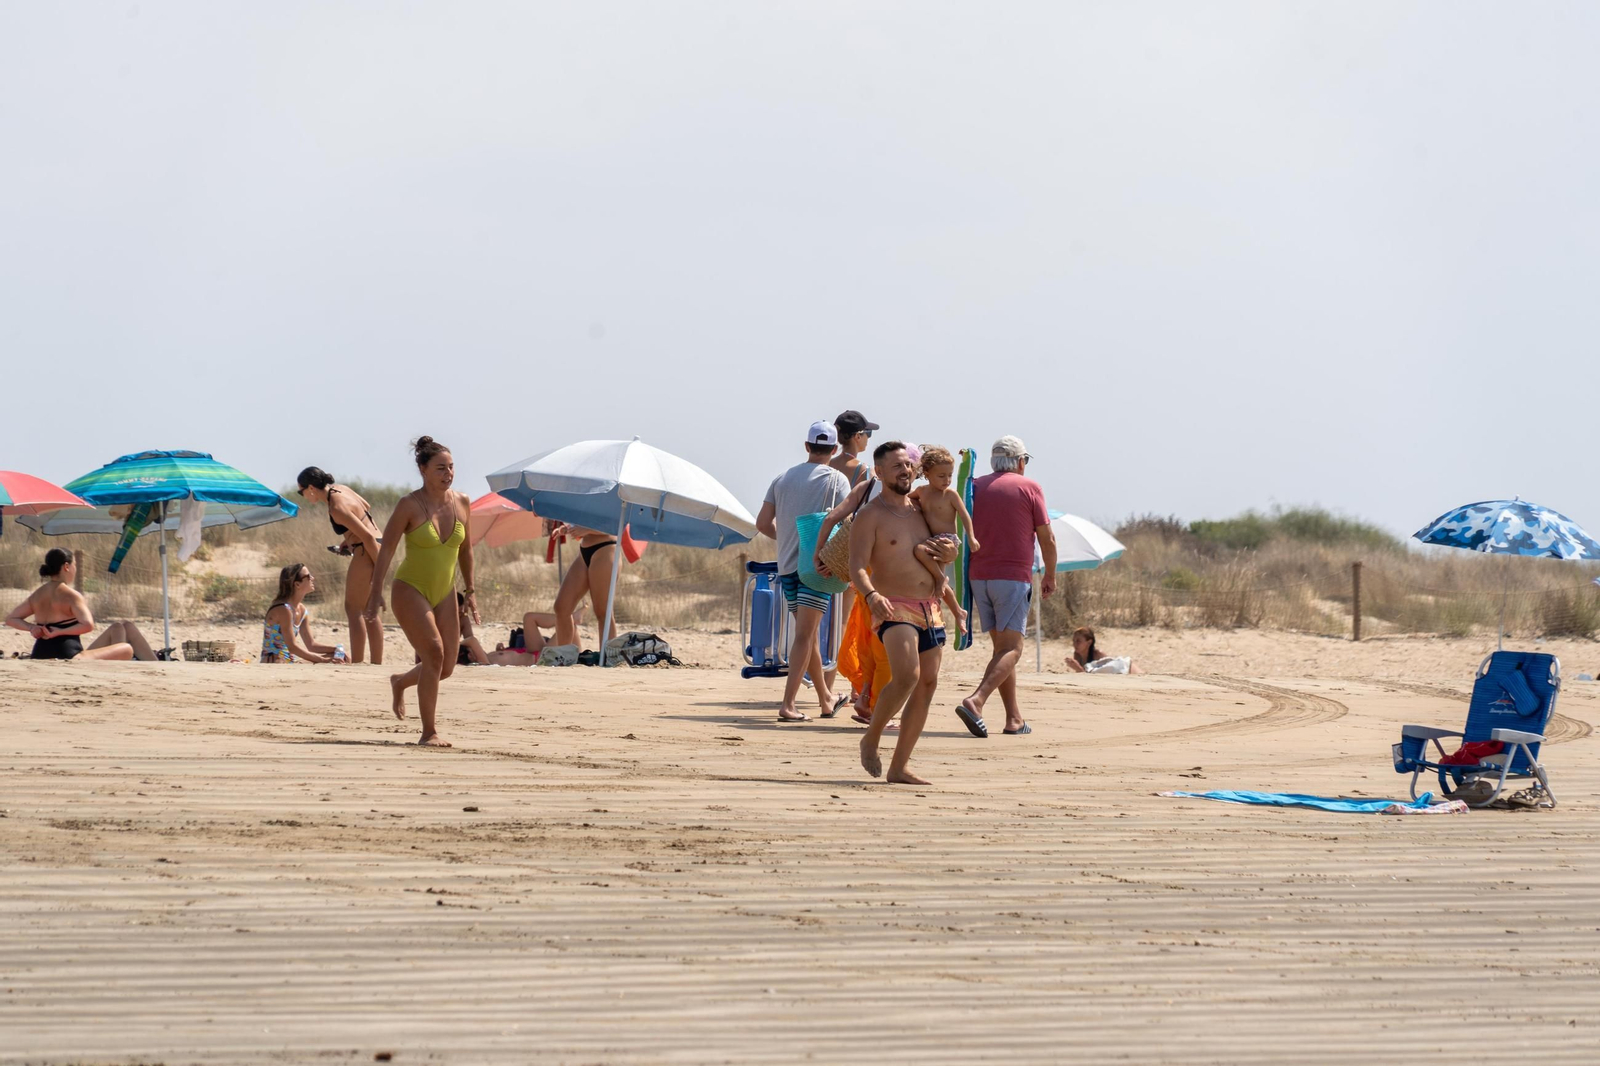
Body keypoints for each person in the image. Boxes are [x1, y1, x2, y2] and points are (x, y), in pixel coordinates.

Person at [365, 436, 476, 748]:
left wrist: (471, 590)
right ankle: (429, 732)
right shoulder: (408, 505)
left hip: (445, 592)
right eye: (441, 468)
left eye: (452, 467)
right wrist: (375, 592)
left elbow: (466, 551)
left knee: (447, 666)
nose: (448, 473)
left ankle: (400, 682)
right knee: (434, 654)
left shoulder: (463, 502)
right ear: (423, 469)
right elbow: (386, 550)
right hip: (410, 589)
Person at [850, 441, 944, 784]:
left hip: (929, 607)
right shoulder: (870, 515)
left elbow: (940, 552)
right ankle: (871, 738)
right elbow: (857, 566)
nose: (905, 471)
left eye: (907, 465)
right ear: (879, 473)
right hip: (892, 606)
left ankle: (899, 767)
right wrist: (871, 594)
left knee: (927, 684)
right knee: (907, 676)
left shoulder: (922, 510)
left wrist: (948, 550)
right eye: (896, 467)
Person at [956, 436, 1057, 738]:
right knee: (1013, 648)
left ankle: (1014, 718)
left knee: (1002, 649)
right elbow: (1047, 538)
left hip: (978, 576)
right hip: (1012, 577)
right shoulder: (1029, 488)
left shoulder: (974, 486)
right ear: (1020, 461)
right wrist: (1050, 574)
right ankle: (976, 700)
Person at [756, 420, 851, 721]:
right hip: (816, 568)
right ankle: (788, 704)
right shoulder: (837, 481)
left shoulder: (782, 479)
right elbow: (844, 524)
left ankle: (825, 698)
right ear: (834, 449)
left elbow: (762, 523)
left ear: (807, 446)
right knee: (805, 635)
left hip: (787, 566)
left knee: (807, 635)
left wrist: (787, 538)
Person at [296, 468, 385, 665]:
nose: (302, 496)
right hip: (379, 542)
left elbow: (367, 537)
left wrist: (380, 571)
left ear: (311, 488)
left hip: (367, 548)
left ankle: (359, 663)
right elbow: (365, 506)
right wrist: (349, 537)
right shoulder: (340, 489)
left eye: (300, 492)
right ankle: (377, 664)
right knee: (369, 609)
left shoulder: (335, 507)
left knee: (353, 609)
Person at [4, 549, 155, 661]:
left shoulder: (37, 594)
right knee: (127, 649)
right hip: (70, 655)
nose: (75, 569)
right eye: (74, 565)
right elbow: (88, 625)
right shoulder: (71, 595)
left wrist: (32, 628)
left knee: (119, 627)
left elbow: (11, 618)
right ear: (66, 567)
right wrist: (59, 632)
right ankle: (145, 668)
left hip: (40, 653)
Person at [907, 444, 977, 632]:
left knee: (925, 558)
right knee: (935, 578)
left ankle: (947, 594)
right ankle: (958, 612)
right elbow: (907, 498)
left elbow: (964, 515)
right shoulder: (922, 491)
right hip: (931, 538)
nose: (947, 480)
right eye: (941, 476)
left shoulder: (950, 495)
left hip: (947, 539)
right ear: (927, 473)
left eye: (950, 475)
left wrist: (971, 537)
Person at [550, 524, 619, 650]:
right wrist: (570, 528)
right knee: (561, 608)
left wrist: (587, 529)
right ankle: (563, 657)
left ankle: (609, 661)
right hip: (584, 551)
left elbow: (617, 524)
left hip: (606, 548)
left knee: (603, 612)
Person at [260, 563, 342, 664]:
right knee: (329, 661)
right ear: (297, 584)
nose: (312, 578)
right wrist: (323, 660)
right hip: (276, 662)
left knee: (337, 658)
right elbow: (292, 647)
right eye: (308, 576)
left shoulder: (301, 609)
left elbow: (311, 645)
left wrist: (336, 650)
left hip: (289, 660)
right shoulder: (283, 609)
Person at [830, 409, 879, 487]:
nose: (868, 438)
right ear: (858, 436)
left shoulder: (827, 465)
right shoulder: (866, 471)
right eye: (868, 433)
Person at [1064, 626, 1139, 674]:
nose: (1074, 644)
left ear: (1089, 642)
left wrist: (1078, 668)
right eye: (1073, 641)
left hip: (1129, 670)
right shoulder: (1077, 655)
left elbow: (1107, 673)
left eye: (1078, 641)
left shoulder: (1098, 655)